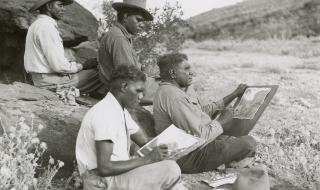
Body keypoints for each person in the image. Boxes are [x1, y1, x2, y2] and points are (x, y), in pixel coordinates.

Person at [76, 65, 181, 190]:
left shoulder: (119, 110)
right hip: (101, 181)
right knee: (170, 169)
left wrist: (176, 145)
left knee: (166, 166)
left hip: (114, 176)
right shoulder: (105, 114)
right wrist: (148, 159)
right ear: (124, 87)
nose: (141, 96)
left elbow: (144, 142)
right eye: (138, 91)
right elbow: (104, 168)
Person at [153, 53, 257, 173]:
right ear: (172, 73)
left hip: (190, 147)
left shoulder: (172, 90)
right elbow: (199, 137)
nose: (193, 73)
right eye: (186, 69)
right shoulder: (174, 96)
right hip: (188, 156)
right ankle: (224, 163)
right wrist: (222, 121)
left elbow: (201, 112)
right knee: (249, 143)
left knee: (234, 137)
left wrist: (234, 94)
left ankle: (224, 160)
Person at [24, 0, 102, 94]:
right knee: (100, 74)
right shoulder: (47, 27)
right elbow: (59, 66)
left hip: (41, 79)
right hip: (48, 82)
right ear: (49, 6)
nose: (63, 9)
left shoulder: (37, 24)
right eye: (60, 5)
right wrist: (83, 65)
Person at [98, 0, 156, 104]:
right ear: (125, 17)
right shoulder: (119, 38)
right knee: (175, 90)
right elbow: (128, 77)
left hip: (126, 87)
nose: (141, 25)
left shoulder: (120, 34)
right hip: (126, 90)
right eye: (138, 20)